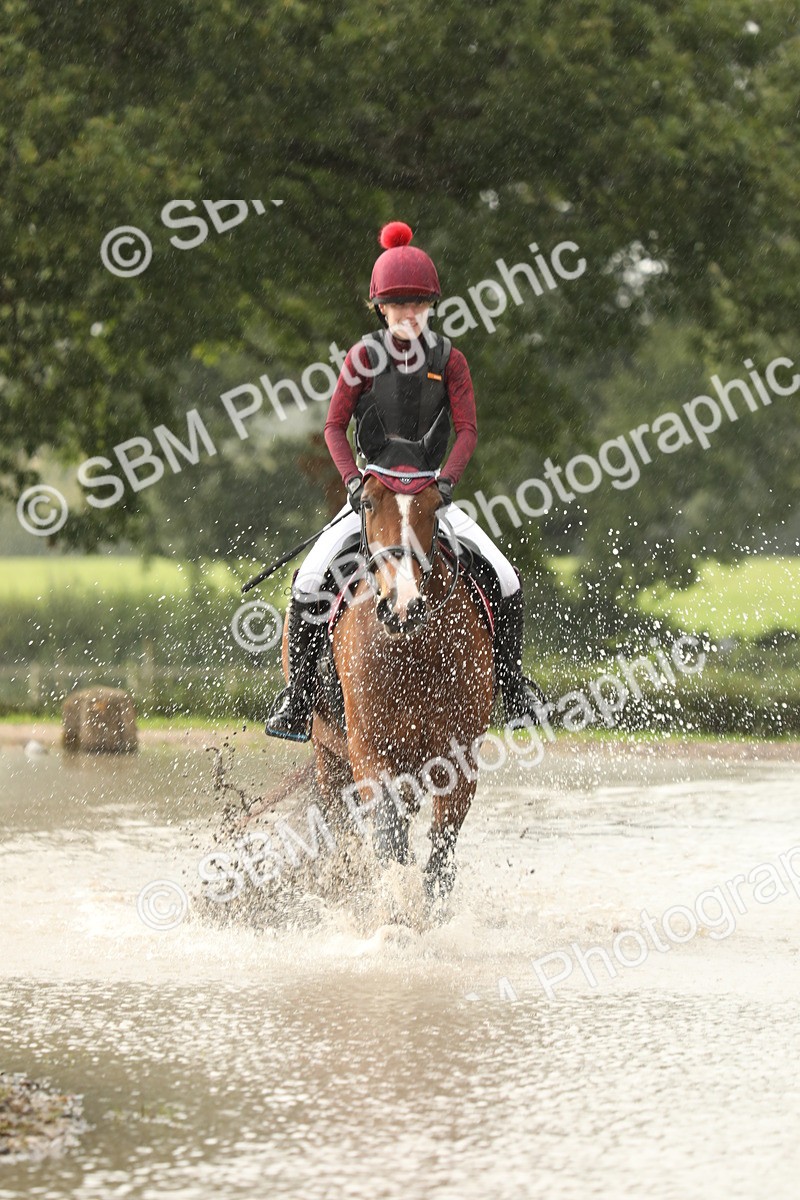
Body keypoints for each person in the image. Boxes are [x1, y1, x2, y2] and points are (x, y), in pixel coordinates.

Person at [266, 221, 543, 741]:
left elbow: (467, 430)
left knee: (505, 578)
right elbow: (333, 426)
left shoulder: (450, 361)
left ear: (431, 307)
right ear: (381, 308)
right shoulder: (361, 359)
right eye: (399, 304)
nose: (409, 313)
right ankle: (299, 699)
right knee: (308, 581)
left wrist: (447, 483)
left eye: (418, 304)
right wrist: (352, 482)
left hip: (431, 496)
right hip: (374, 497)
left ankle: (512, 687)